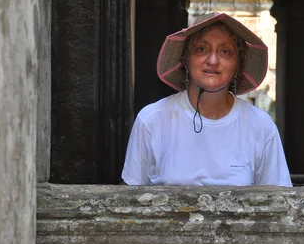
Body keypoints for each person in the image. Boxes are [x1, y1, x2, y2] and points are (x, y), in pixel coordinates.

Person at [121, 12, 292, 187]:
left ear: (238, 64)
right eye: (201, 49)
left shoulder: (261, 127)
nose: (212, 60)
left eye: (225, 51)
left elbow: (279, 201)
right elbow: (128, 202)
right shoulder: (152, 120)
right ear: (186, 59)